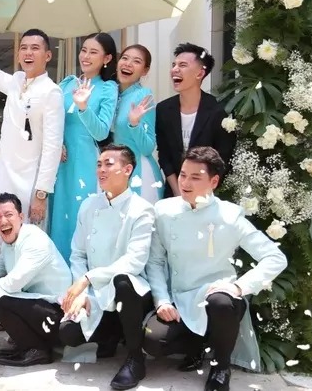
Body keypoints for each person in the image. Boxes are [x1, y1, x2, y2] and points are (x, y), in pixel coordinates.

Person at [144, 146, 287, 391]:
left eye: (195, 177)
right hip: (180, 298)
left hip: (218, 298)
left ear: (214, 181)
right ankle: (198, 346)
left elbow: (275, 257)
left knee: (221, 302)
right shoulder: (164, 210)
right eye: (183, 175)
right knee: (153, 341)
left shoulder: (229, 216)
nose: (185, 183)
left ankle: (221, 367)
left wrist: (239, 287)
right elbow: (155, 261)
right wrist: (162, 300)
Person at [59, 144, 154, 390]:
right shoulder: (88, 206)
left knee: (123, 281)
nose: (101, 170)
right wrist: (82, 293)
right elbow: (78, 254)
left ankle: (135, 358)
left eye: (109, 164)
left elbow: (134, 261)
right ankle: (112, 335)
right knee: (68, 333)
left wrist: (88, 279)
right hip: (95, 292)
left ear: (128, 170)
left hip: (131, 291)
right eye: (99, 164)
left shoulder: (142, 209)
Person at [0, 17, 64, 227]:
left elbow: (52, 146)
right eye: (23, 48)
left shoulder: (52, 92)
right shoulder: (16, 81)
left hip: (30, 179)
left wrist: (41, 193)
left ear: (48, 55)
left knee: (25, 233)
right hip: (3, 172)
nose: (28, 53)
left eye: (35, 48)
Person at [0, 192, 72, 367]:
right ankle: (25, 344)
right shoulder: (7, 244)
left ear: (21, 217)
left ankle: (37, 350)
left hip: (57, 314)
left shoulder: (35, 239)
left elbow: (15, 282)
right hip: (37, 308)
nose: (3, 221)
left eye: (8, 215)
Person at [50, 33, 118, 262]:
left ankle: (80, 271)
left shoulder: (108, 88)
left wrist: (83, 107)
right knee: (56, 215)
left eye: (93, 52)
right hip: (57, 160)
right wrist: (56, 143)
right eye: (84, 50)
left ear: (106, 58)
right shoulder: (67, 83)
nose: (86, 56)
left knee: (79, 214)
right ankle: (56, 272)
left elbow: (101, 132)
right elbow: (50, 119)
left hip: (84, 160)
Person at [155, 43, 236, 198]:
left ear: (200, 73)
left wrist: (202, 191)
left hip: (207, 194)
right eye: (174, 65)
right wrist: (178, 192)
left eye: (182, 65)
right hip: (174, 192)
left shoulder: (219, 111)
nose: (175, 70)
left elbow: (223, 158)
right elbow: (164, 155)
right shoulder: (164, 109)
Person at [113, 44, 163, 204]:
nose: (128, 64)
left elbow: (148, 147)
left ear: (145, 71)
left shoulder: (143, 96)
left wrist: (134, 124)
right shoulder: (113, 94)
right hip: (118, 173)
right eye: (125, 58)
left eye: (136, 61)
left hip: (140, 174)